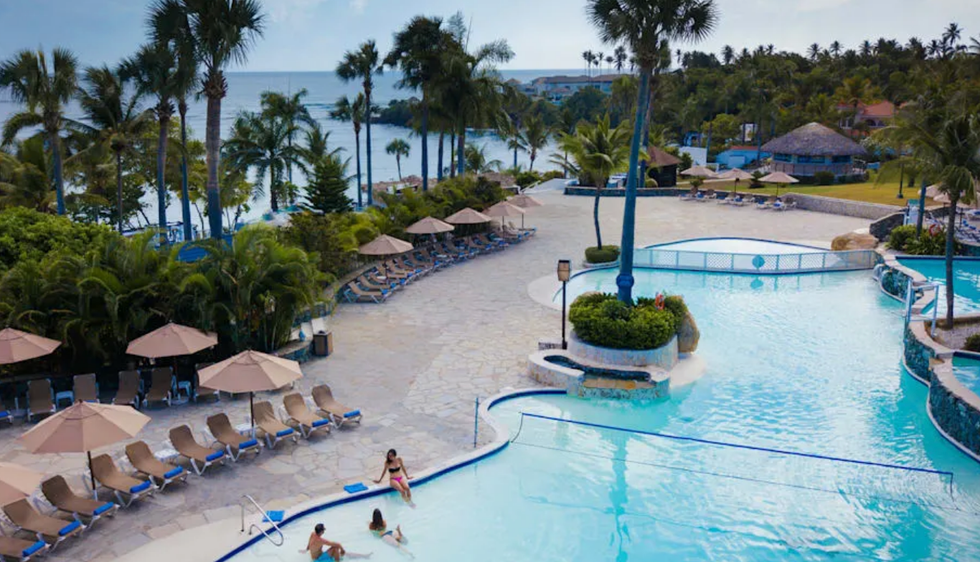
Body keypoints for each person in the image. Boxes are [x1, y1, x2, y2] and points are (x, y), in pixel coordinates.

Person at [304, 523, 371, 561]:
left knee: (341, 553)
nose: (324, 532)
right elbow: (337, 544)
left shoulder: (312, 534)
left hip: (316, 557)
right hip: (318, 560)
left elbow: (308, 545)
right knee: (336, 549)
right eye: (323, 530)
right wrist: (342, 550)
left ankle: (364, 556)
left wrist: (306, 550)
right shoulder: (320, 540)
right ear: (321, 532)